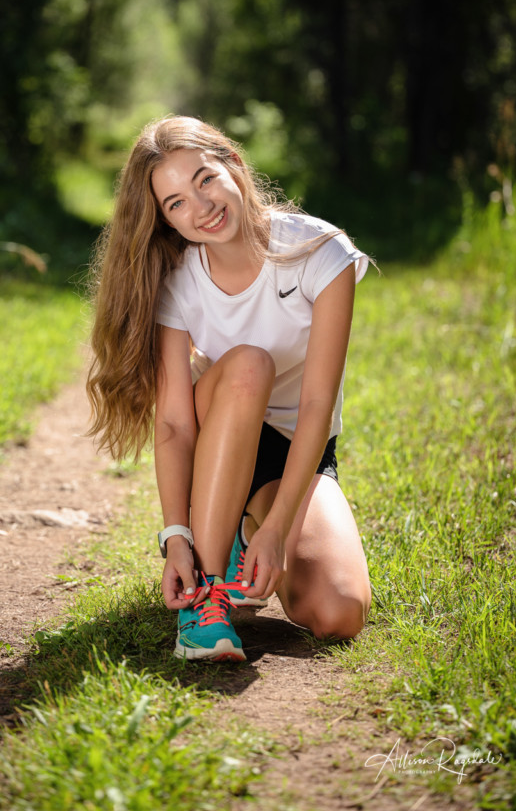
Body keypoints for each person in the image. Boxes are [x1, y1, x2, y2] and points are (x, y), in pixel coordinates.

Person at [87, 115, 372, 662]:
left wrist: (279, 528)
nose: (200, 207)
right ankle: (207, 597)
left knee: (338, 613)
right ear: (166, 220)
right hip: (216, 429)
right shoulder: (178, 281)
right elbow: (172, 423)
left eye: (204, 180)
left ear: (234, 167)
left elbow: (317, 404)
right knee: (248, 366)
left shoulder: (320, 252)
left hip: (293, 450)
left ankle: (250, 528)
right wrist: (176, 538)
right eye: (175, 203)